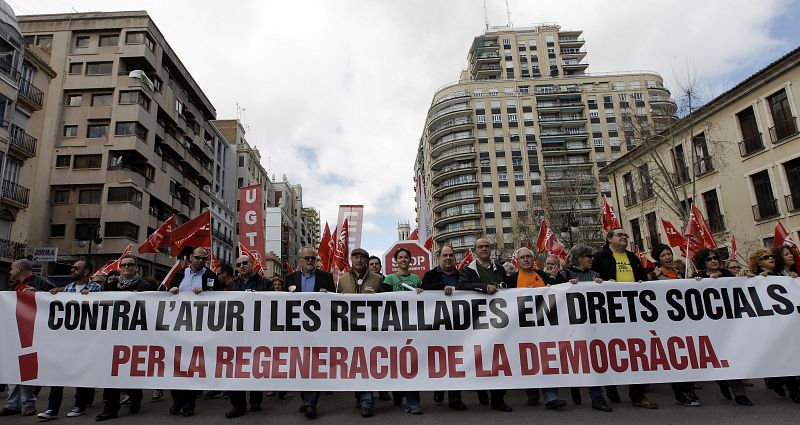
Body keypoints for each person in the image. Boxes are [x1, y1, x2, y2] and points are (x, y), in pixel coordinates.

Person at [592, 229, 656, 409]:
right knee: (611, 351)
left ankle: (638, 394)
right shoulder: (600, 257)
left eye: (626, 235)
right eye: (619, 235)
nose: (624, 237)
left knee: (638, 352)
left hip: (634, 311)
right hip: (609, 312)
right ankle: (610, 384)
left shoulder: (633, 258)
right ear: (609, 239)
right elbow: (591, 279)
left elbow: (643, 279)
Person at [37, 261, 102, 420]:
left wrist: (91, 297)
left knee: (81, 372)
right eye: (73, 267)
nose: (72, 269)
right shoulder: (68, 288)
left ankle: (79, 405)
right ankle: (52, 408)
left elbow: (101, 309)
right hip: (67, 338)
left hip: (85, 339)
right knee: (58, 372)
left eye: (76, 267)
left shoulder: (96, 288)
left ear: (86, 271)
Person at [507, 247, 568, 410]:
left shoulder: (542, 276)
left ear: (534, 260)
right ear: (517, 262)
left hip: (545, 327)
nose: (526, 259)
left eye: (529, 257)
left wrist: (572, 283)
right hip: (523, 328)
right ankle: (532, 394)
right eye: (523, 258)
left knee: (547, 360)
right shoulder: (512, 280)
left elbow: (561, 290)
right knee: (528, 361)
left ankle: (551, 396)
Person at [554, 245, 611, 413]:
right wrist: (565, 285)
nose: (592, 259)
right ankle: (574, 387)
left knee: (593, 360)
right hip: (570, 326)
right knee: (574, 359)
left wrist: (603, 285)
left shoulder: (595, 275)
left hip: (592, 326)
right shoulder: (564, 275)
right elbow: (554, 294)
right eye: (588, 257)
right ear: (579, 258)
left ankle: (597, 397)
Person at [693, 248, 753, 406]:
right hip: (711, 325)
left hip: (731, 322)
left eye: (715, 258)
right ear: (702, 263)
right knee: (721, 357)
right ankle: (723, 381)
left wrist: (750, 280)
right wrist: (708, 282)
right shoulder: (697, 278)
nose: (713, 261)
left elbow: (739, 290)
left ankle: (739, 393)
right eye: (708, 259)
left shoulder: (727, 274)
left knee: (733, 357)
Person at [458, 238, 512, 412]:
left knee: (498, 358)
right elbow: (463, 286)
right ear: (475, 250)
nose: (484, 249)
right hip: (478, 322)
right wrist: (483, 287)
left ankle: (498, 399)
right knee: (481, 358)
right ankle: (481, 389)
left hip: (498, 321)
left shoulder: (500, 269)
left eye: (487, 246)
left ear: (491, 249)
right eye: (480, 247)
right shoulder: (468, 270)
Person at [96, 255, 150, 421]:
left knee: (129, 371)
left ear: (136, 268)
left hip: (135, 336)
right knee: (113, 371)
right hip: (114, 335)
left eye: (130, 265)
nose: (127, 267)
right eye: (124, 265)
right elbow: (101, 304)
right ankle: (111, 408)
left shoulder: (144, 286)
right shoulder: (111, 285)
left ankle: (136, 396)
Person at [167, 247, 218, 417]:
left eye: (204, 258)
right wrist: (173, 291)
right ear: (190, 257)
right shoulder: (180, 274)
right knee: (176, 365)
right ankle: (177, 401)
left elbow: (217, 298)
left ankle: (189, 404)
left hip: (199, 327)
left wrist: (206, 294)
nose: (200, 261)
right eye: (197, 258)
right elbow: (167, 293)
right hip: (178, 327)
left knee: (190, 366)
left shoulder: (210, 275)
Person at [648, 244, 701, 407]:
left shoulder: (681, 274)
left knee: (688, 357)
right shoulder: (652, 276)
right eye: (663, 255)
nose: (668, 257)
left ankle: (690, 389)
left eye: (669, 254)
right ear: (658, 259)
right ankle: (681, 393)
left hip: (684, 322)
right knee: (674, 359)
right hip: (665, 323)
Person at [286, 247, 335, 419]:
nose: (310, 260)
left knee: (313, 365)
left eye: (313, 258)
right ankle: (305, 398)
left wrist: (328, 295)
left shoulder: (326, 277)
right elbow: (281, 303)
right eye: (306, 258)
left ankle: (310, 403)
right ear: (300, 259)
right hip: (296, 330)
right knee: (301, 365)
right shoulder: (290, 279)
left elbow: (333, 303)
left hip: (318, 331)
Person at [0, 260, 53, 417]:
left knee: (26, 367)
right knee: (14, 368)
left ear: (20, 269)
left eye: (12, 269)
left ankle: (27, 403)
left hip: (34, 331)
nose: (10, 272)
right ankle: (14, 404)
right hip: (14, 331)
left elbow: (55, 300)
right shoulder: (13, 286)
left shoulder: (42, 284)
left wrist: (38, 294)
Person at [748, 247, 800, 402]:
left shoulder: (781, 276)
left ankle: (788, 385)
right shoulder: (756, 279)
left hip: (787, 324)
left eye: (771, 256)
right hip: (769, 326)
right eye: (765, 257)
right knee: (780, 356)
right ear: (758, 263)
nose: (770, 258)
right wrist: (755, 278)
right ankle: (782, 383)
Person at [336, 248, 382, 417]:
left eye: (362, 257)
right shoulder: (342, 280)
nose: (359, 260)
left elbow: (387, 303)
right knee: (355, 364)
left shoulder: (378, 279)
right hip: (349, 330)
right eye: (356, 257)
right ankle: (359, 394)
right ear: (351, 259)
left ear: (366, 260)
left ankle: (367, 401)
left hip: (370, 330)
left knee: (367, 364)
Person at [225, 255, 271, 418]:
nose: (242, 266)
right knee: (235, 369)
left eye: (245, 263)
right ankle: (238, 406)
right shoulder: (232, 285)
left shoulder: (265, 283)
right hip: (236, 333)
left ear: (252, 264)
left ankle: (255, 400)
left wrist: (258, 296)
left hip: (257, 332)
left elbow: (273, 305)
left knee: (255, 366)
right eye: (239, 264)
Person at [421, 246, 467, 411]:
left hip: (457, 327)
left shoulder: (461, 275)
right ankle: (439, 388)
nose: (448, 258)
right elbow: (424, 290)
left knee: (456, 362)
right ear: (439, 257)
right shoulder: (430, 275)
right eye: (445, 255)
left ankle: (455, 398)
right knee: (439, 361)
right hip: (437, 326)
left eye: (451, 255)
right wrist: (441, 288)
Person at [382, 247, 424, 414]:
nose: (403, 260)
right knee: (396, 362)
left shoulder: (416, 278)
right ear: (396, 261)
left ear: (410, 260)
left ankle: (413, 403)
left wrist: (421, 292)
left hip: (412, 327)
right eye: (400, 257)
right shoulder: (390, 279)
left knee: (410, 363)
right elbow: (383, 299)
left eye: (406, 257)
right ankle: (398, 392)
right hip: (394, 327)